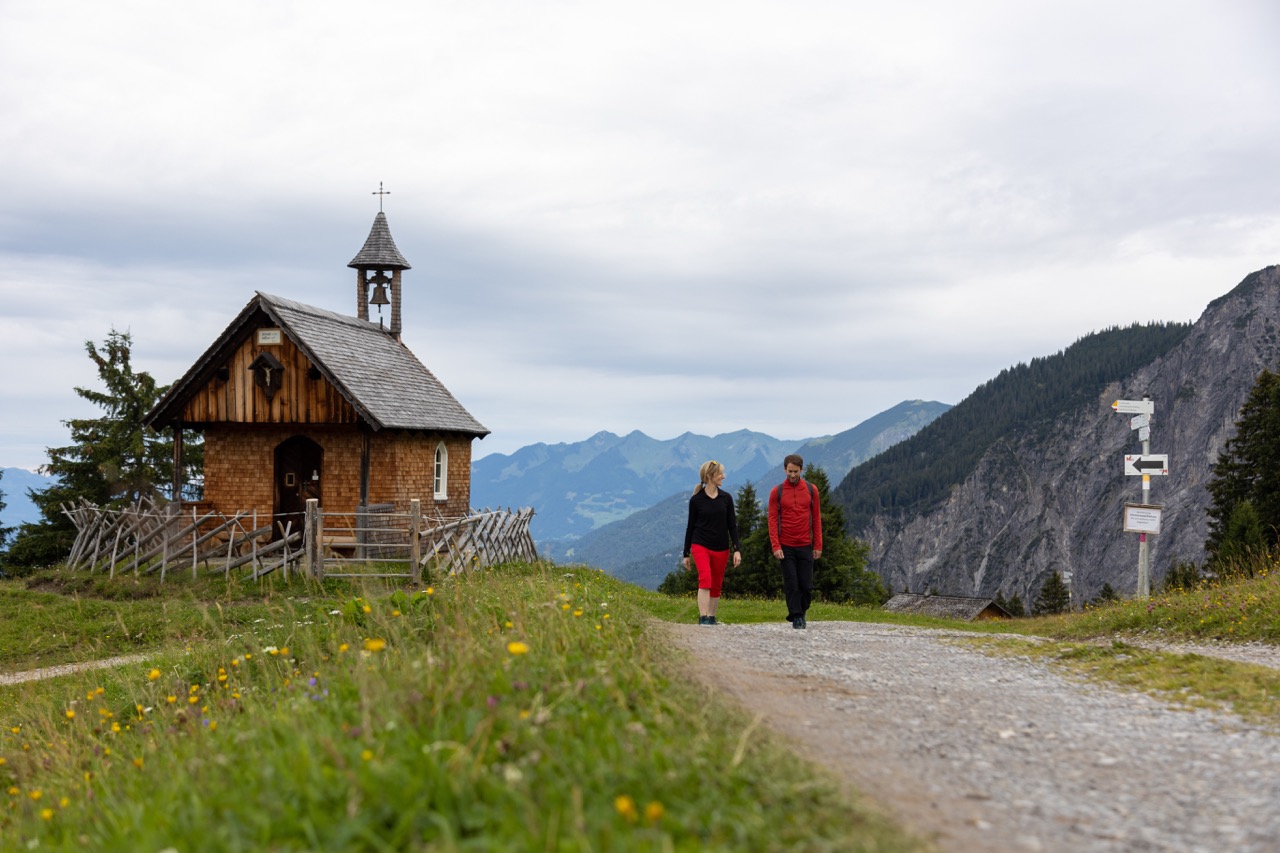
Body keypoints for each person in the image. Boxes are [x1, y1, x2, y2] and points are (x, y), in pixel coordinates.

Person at [681, 460, 742, 625]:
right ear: (710, 476)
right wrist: (686, 553)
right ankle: (703, 617)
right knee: (705, 579)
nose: (723, 476)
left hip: (722, 547)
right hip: (700, 544)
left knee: (716, 583)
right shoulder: (696, 500)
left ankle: (712, 617)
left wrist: (737, 549)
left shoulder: (726, 498)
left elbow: (732, 525)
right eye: (720, 473)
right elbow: (690, 527)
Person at [768, 454, 823, 629]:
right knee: (791, 583)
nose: (792, 475)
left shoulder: (811, 490)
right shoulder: (776, 492)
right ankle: (797, 616)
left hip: (805, 544)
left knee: (806, 585)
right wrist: (776, 545)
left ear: (801, 470)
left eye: (796, 472)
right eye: (790, 471)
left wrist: (818, 545)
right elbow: (772, 520)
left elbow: (816, 518)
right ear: (784, 469)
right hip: (786, 545)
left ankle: (802, 610)